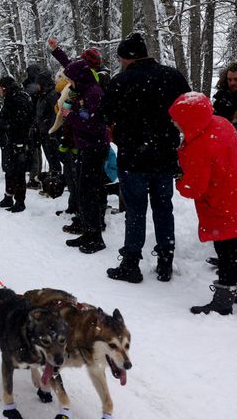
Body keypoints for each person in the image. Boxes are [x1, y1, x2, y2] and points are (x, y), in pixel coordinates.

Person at [169, 92, 237, 315]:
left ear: (190, 119)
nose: (174, 123)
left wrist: (179, 179)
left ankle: (223, 302)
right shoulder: (220, 123)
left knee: (227, 251)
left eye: (177, 119)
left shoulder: (199, 145)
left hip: (223, 203)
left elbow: (194, 189)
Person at [102, 32, 190, 283]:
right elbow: (188, 108)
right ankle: (165, 260)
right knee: (164, 208)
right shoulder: (172, 76)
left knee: (136, 211)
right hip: (164, 156)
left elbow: (106, 114)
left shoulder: (121, 81)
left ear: (127, 58)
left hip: (133, 158)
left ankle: (131, 262)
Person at [61, 59, 108, 254]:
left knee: (89, 192)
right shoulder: (84, 91)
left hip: (93, 148)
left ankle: (95, 236)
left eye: (70, 80)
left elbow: (95, 125)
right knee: (83, 191)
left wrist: (70, 116)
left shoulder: (94, 93)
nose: (69, 83)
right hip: (85, 147)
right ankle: (88, 231)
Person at [0, 76, 33, 212]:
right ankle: (8, 196)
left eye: (0, 88)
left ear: (5, 87)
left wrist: (2, 123)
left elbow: (20, 123)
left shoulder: (19, 99)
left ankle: (20, 201)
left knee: (18, 172)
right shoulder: (12, 97)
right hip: (9, 141)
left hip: (18, 141)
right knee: (9, 170)